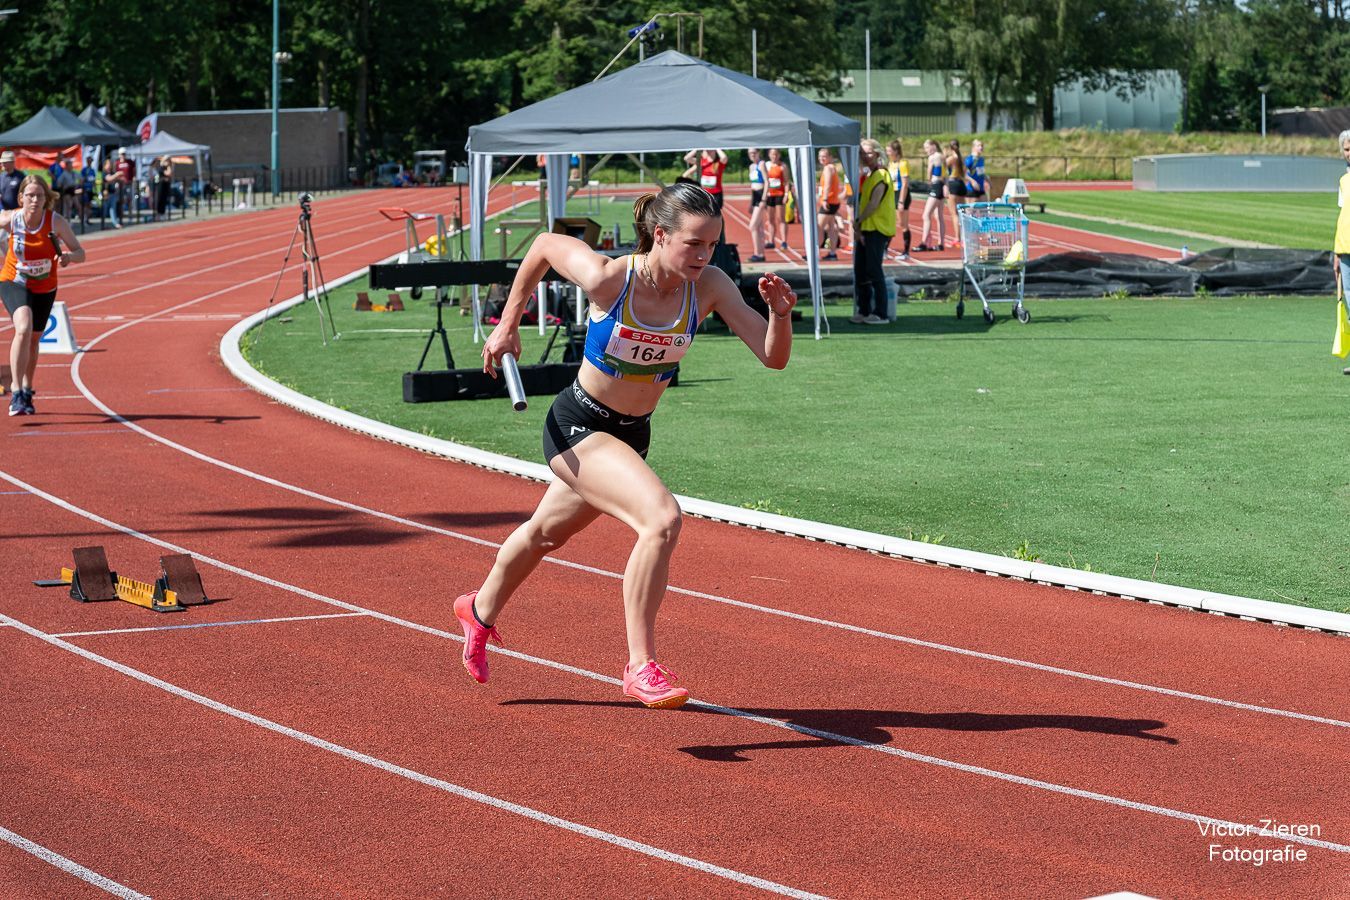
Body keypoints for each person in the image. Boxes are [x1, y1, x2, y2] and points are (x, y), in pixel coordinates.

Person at [461, 183, 797, 709]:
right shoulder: (610, 277)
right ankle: (641, 666)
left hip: (630, 435)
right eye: (693, 244)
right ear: (660, 235)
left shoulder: (708, 284)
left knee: (544, 535)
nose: (704, 256)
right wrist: (507, 326)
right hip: (578, 426)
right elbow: (545, 245)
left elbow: (772, 357)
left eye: (712, 244)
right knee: (661, 519)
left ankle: (477, 611)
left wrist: (779, 313)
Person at [3, 176, 86, 416]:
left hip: (44, 286)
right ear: (21, 198)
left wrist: (69, 258)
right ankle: (16, 390)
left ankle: (27, 388)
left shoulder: (55, 222)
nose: (35, 200)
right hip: (13, 281)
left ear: (46, 199)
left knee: (34, 339)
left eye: (39, 195)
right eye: (30, 195)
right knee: (23, 327)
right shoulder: (11, 219)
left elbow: (81, 253)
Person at [850, 139, 895, 325]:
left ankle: (881, 313)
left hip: (878, 228)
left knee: (874, 270)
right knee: (861, 270)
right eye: (862, 153)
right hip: (867, 228)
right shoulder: (869, 176)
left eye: (868, 152)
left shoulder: (881, 175)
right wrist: (859, 228)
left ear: (877, 153)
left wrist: (858, 221)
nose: (864, 156)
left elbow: (874, 204)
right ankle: (864, 309)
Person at [1334, 129, 1350, 375]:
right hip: (1345, 248)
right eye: (1346, 149)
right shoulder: (1343, 180)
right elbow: (1341, 216)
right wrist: (1335, 253)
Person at [916, 139, 946, 251]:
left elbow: (929, 173)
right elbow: (945, 173)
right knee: (939, 216)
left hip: (936, 185)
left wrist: (929, 182)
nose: (926, 150)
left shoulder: (933, 157)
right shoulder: (942, 156)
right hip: (941, 185)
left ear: (933, 146)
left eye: (927, 147)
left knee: (926, 215)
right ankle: (941, 243)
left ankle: (924, 242)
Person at [886, 139, 912, 259]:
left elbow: (905, 184)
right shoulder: (890, 164)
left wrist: (901, 201)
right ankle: (884, 249)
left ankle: (906, 252)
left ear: (896, 151)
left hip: (901, 195)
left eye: (889, 150)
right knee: (891, 222)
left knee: (903, 224)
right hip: (892, 194)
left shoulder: (903, 163)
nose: (887, 153)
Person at [763, 147, 792, 250]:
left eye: (776, 154)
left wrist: (786, 195)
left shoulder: (783, 166)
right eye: (772, 154)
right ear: (769, 155)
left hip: (779, 194)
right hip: (770, 195)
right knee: (770, 219)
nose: (774, 156)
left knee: (781, 218)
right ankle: (771, 240)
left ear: (779, 155)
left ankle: (784, 241)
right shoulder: (766, 165)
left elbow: (786, 182)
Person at [683, 149, 728, 214]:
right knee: (704, 214)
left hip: (716, 194)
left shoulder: (718, 162)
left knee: (716, 215)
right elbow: (687, 158)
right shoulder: (702, 161)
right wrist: (696, 149)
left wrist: (717, 148)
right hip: (704, 193)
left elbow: (724, 158)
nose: (708, 150)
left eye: (710, 149)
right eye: (707, 149)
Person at [816, 148, 842, 260]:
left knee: (818, 227)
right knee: (832, 228)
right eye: (820, 156)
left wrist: (825, 199)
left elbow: (827, 184)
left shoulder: (828, 168)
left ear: (830, 157)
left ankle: (814, 253)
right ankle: (832, 253)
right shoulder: (832, 168)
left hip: (829, 202)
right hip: (833, 202)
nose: (822, 158)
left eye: (824, 156)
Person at [746, 148, 768, 262]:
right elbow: (752, 185)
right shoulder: (751, 166)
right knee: (759, 227)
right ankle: (761, 254)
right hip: (755, 196)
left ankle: (757, 253)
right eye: (750, 153)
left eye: (754, 153)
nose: (752, 155)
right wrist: (751, 202)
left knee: (753, 226)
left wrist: (764, 199)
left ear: (758, 153)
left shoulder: (762, 164)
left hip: (761, 196)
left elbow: (767, 181)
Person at [944, 140, 967, 245]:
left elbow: (942, 165)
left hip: (953, 183)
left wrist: (944, 155)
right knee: (962, 212)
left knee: (954, 213)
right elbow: (965, 171)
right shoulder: (961, 158)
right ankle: (965, 236)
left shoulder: (952, 158)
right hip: (961, 184)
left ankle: (957, 238)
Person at [965, 139, 988, 203]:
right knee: (970, 211)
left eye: (982, 145)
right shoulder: (969, 159)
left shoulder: (981, 159)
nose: (981, 147)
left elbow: (981, 173)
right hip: (971, 189)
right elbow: (962, 173)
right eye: (978, 146)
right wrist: (972, 181)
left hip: (981, 189)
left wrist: (988, 180)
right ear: (973, 147)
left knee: (985, 209)